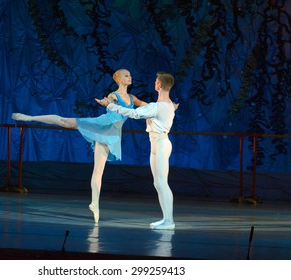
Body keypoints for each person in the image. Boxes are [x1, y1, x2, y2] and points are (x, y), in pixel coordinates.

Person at [11, 69, 146, 224]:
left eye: (130, 74)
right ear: (119, 79)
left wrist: (165, 106)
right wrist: (106, 103)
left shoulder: (132, 98)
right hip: (102, 125)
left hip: (112, 134)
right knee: (65, 121)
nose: (130, 77)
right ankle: (30, 117)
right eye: (126, 75)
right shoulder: (114, 95)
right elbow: (110, 102)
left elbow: (149, 107)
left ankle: (94, 203)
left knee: (98, 170)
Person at [96, 71, 178, 230]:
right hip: (156, 144)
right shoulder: (165, 105)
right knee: (158, 183)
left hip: (161, 144)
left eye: (156, 81)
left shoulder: (158, 107)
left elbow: (133, 113)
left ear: (159, 85)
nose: (155, 82)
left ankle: (169, 221)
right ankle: (165, 219)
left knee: (162, 182)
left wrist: (111, 106)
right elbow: (154, 109)